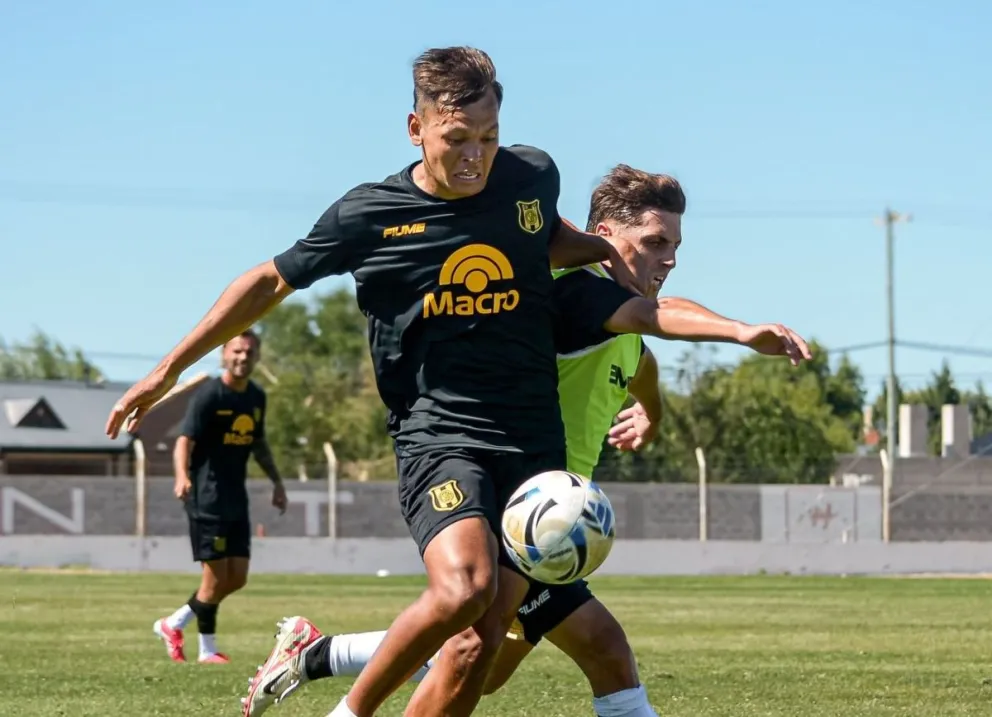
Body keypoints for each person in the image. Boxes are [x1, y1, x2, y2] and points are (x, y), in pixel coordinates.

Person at [106, 46, 636, 717]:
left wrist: (606, 251)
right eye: (457, 139)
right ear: (416, 129)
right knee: (464, 588)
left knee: (476, 646)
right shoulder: (370, 215)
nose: (475, 157)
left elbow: (538, 235)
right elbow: (268, 281)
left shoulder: (530, 174)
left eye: (489, 138)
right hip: (438, 435)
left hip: (533, 441)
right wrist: (169, 368)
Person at [240, 165, 811, 717]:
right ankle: (323, 667)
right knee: (507, 649)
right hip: (518, 505)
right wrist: (738, 331)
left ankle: (316, 654)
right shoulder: (578, 294)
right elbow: (656, 315)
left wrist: (651, 414)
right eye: (655, 242)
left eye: (675, 245)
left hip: (549, 517)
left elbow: (641, 360)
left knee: (492, 662)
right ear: (604, 236)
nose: (670, 258)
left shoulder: (618, 318)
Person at [152, 329, 287, 664]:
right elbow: (184, 440)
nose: (243, 357)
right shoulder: (209, 394)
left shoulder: (256, 397)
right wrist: (182, 475)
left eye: (249, 352)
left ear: (257, 357)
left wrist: (277, 482)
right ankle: (206, 649)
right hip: (206, 496)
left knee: (236, 578)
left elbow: (258, 443)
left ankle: (173, 623)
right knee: (213, 580)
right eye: (237, 351)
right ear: (224, 354)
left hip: (235, 496)